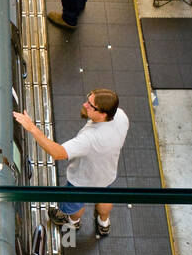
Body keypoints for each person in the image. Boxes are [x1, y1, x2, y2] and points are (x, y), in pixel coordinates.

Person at [15, 89, 129, 237]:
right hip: (106, 174)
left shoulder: (90, 139)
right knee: (104, 198)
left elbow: (57, 152)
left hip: (82, 181)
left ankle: (73, 222)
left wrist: (32, 128)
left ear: (103, 114)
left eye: (90, 105)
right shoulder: (120, 116)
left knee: (75, 204)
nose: (85, 104)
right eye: (88, 99)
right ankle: (104, 223)